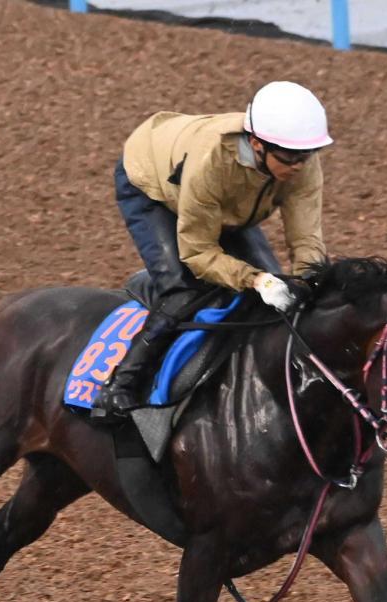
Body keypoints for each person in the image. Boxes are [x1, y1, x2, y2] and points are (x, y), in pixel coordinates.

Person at [90, 80, 333, 424]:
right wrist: (255, 279)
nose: (299, 165)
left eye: (306, 155)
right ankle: (119, 385)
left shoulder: (301, 163)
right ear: (257, 144)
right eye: (291, 157)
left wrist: (310, 283)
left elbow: (306, 240)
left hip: (225, 204)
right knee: (185, 289)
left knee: (280, 299)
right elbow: (199, 253)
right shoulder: (212, 161)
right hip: (153, 186)